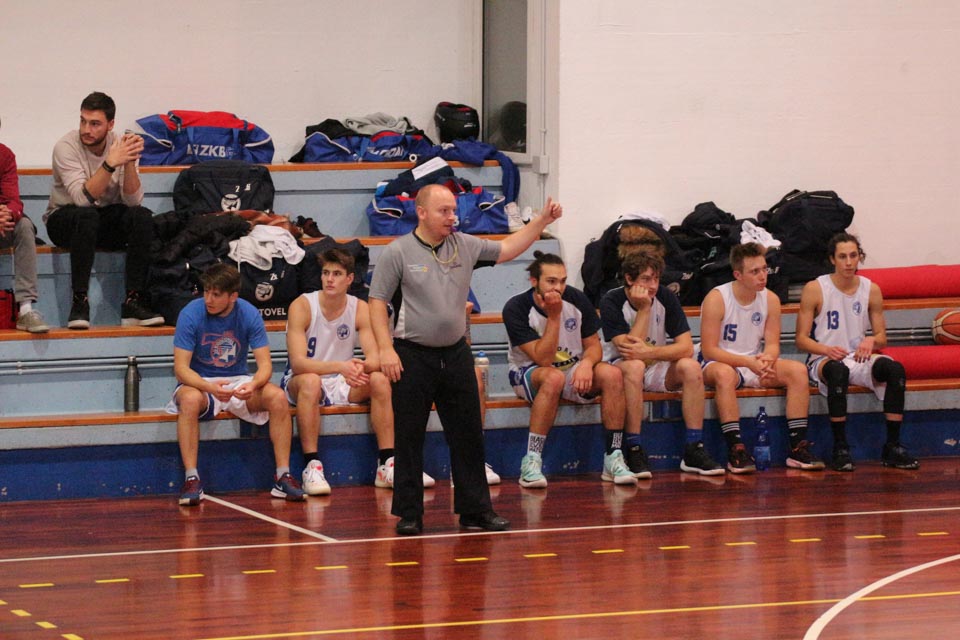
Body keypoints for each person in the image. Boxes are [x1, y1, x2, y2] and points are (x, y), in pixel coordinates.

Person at [369, 183, 561, 536]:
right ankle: (410, 513)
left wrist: (541, 222)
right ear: (421, 212)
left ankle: (475, 510)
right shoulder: (397, 252)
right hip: (412, 354)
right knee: (409, 436)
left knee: (468, 433)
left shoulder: (465, 245)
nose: (452, 217)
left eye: (454, 210)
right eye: (444, 211)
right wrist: (385, 349)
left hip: (456, 353)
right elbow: (377, 302)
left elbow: (507, 248)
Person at [281, 248, 435, 495]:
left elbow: (374, 357)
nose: (329, 279)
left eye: (336, 274)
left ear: (350, 279)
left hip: (343, 378)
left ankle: (387, 462)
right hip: (302, 380)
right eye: (325, 273)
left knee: (380, 379)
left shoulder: (360, 307)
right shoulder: (302, 305)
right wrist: (341, 366)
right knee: (310, 382)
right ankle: (312, 466)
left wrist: (359, 367)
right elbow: (298, 363)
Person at [167, 263, 305, 505]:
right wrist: (209, 388)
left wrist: (254, 385)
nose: (208, 299)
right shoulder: (190, 313)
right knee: (189, 400)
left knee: (277, 397)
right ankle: (191, 479)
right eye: (206, 292)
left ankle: (283, 476)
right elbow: (181, 369)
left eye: (216, 294)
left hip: (238, 380)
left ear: (233, 296)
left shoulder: (249, 313)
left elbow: (265, 366)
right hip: (200, 382)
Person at [504, 251, 636, 488]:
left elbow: (593, 345)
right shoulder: (516, 307)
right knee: (553, 377)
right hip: (529, 371)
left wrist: (586, 364)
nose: (558, 288)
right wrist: (554, 317)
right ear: (534, 281)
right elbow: (543, 359)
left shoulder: (576, 299)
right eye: (551, 281)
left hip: (571, 368)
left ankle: (613, 456)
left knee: (612, 374)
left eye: (563, 281)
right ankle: (532, 460)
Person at [796, 232, 919, 472]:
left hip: (858, 357)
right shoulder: (815, 288)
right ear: (832, 259)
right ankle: (840, 447)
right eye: (843, 257)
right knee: (837, 371)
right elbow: (801, 340)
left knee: (895, 370)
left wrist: (871, 340)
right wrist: (826, 349)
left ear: (859, 257)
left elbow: (882, 336)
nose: (849, 262)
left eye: (853, 256)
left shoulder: (871, 289)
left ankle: (892, 446)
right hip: (824, 358)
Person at [697, 242, 824, 473]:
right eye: (754, 271)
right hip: (718, 362)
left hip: (753, 362)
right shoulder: (717, 298)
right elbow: (709, 350)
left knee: (797, 371)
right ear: (738, 275)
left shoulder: (771, 299)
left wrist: (767, 359)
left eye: (764, 269)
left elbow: (773, 345)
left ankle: (797, 447)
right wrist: (748, 362)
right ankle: (736, 449)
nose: (763, 276)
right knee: (724, 375)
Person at [599, 251, 724, 478]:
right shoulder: (611, 300)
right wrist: (644, 309)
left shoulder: (665, 296)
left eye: (656, 279)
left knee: (691, 367)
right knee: (635, 367)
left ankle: (693, 448)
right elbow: (630, 352)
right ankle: (634, 447)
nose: (653, 285)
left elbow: (686, 347)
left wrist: (651, 352)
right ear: (629, 279)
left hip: (655, 364)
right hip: (619, 366)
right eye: (646, 279)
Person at [44, 91, 162, 329]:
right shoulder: (66, 147)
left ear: (111, 124)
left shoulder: (120, 146)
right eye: (83, 121)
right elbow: (82, 199)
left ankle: (134, 300)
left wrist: (129, 161)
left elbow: (133, 201)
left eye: (95, 123)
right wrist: (110, 163)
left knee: (142, 216)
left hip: (101, 218)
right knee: (86, 216)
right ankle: (79, 301)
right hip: (64, 218)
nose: (86, 129)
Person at [0, 119, 49, 333]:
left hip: (1, 225)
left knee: (24, 226)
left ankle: (26, 309)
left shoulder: (5, 155)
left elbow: (14, 201)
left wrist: (7, 213)